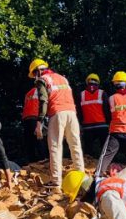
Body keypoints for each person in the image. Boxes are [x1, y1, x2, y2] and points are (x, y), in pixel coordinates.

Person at [29, 58, 84, 187]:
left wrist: (39, 123)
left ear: (38, 71)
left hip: (57, 113)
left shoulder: (42, 80)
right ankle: (81, 177)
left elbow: (43, 101)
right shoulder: (62, 78)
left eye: (34, 74)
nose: (34, 77)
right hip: (72, 113)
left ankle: (56, 181)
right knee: (75, 145)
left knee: (55, 147)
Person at [78, 73, 110, 155]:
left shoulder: (81, 94)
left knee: (88, 150)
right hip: (102, 125)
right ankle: (103, 164)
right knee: (104, 149)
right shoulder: (102, 93)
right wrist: (108, 122)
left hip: (87, 126)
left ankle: (87, 164)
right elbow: (107, 109)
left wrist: (81, 124)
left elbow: (79, 111)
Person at [21, 86, 47, 163]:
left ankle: (32, 161)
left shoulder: (28, 93)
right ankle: (43, 158)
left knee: (29, 141)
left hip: (26, 118)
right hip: (35, 117)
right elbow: (44, 104)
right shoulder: (40, 90)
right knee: (38, 137)